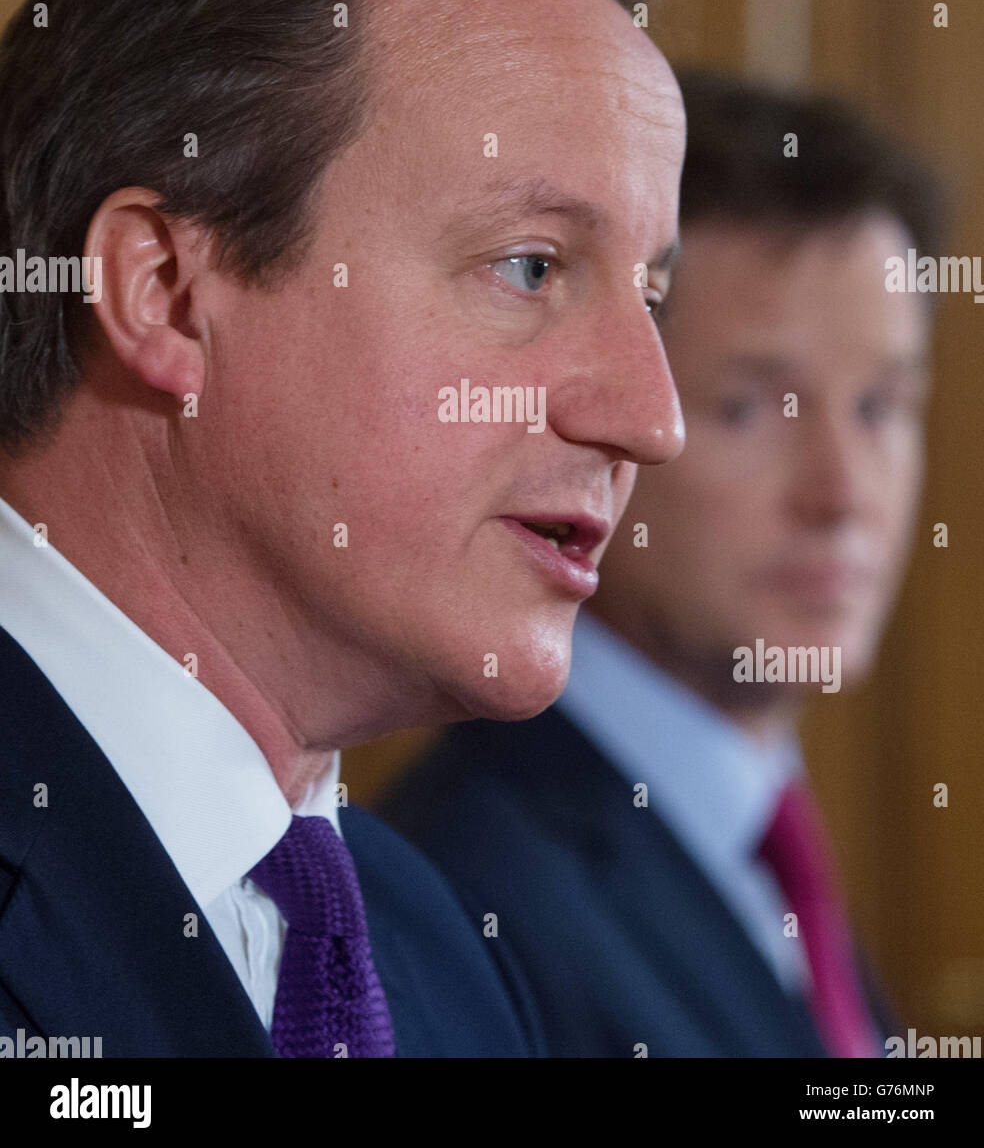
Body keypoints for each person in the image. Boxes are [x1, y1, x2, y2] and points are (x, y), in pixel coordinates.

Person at [0, 0, 687, 1058]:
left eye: (652, 296)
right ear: (160, 291)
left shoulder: (433, 945)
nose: (651, 417)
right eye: (531, 267)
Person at [380, 70, 942, 1057]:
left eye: (881, 407)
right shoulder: (466, 895)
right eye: (748, 407)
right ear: (614, 418)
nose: (844, 495)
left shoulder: (766, 836)